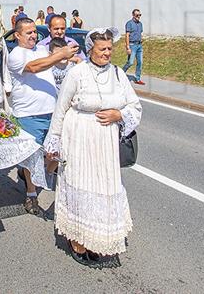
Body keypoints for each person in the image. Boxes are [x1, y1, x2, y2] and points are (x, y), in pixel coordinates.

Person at [44, 28, 142, 267]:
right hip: (78, 135)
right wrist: (54, 141)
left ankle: (97, 238)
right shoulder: (77, 73)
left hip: (105, 141)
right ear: (90, 50)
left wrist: (119, 114)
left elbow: (135, 106)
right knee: (80, 183)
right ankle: (77, 239)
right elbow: (61, 108)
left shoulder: (118, 74)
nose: (107, 53)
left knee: (103, 186)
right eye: (102, 49)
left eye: (109, 49)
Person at [7, 18, 77, 214]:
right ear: (17, 35)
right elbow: (36, 67)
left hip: (53, 112)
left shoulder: (41, 49)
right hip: (30, 114)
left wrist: (77, 60)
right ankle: (31, 194)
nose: (32, 35)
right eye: (27, 32)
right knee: (32, 157)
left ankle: (41, 176)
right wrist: (61, 54)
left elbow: (60, 60)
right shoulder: (16, 54)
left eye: (34, 32)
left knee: (57, 151)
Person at [122, 9, 144, 85]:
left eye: (140, 15)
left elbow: (140, 33)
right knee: (130, 62)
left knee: (140, 63)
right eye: (137, 15)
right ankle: (121, 73)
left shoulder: (140, 24)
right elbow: (127, 35)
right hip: (132, 45)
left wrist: (141, 39)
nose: (138, 16)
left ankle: (137, 79)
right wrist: (128, 47)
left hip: (139, 45)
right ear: (133, 15)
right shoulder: (129, 23)